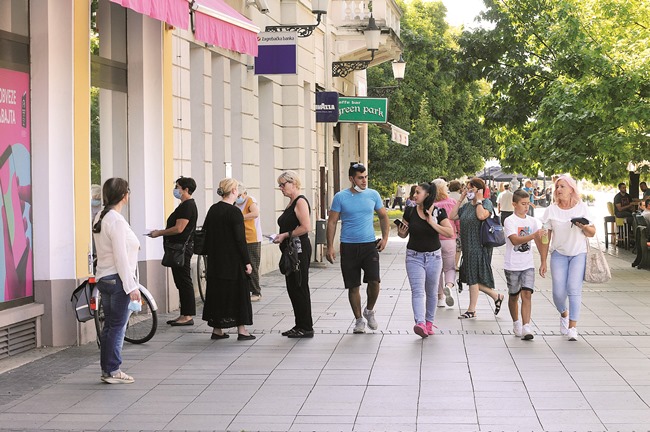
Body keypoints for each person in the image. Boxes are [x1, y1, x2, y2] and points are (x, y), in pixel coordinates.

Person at [326, 162, 390, 334]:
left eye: (365, 177)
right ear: (351, 179)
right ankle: (358, 320)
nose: (364, 181)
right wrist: (329, 246)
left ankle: (369, 311)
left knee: (374, 281)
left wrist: (385, 238)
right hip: (348, 246)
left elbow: (384, 217)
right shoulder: (340, 197)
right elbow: (331, 222)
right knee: (353, 286)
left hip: (369, 245)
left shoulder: (373, 195)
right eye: (360, 178)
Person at [92, 178, 140, 384]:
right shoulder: (117, 221)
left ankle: (108, 370)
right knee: (117, 327)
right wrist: (132, 287)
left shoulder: (100, 217)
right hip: (118, 280)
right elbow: (121, 257)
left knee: (110, 327)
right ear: (123, 195)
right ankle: (113, 370)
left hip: (105, 277)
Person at [539, 175, 595, 341]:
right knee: (557, 292)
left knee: (573, 288)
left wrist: (583, 226)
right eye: (557, 187)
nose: (559, 190)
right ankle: (564, 313)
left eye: (563, 186)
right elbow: (545, 238)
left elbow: (592, 232)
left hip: (578, 253)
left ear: (571, 189)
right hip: (559, 254)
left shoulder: (581, 208)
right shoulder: (551, 210)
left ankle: (572, 327)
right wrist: (543, 261)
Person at [397, 182, 454, 338]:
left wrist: (432, 223)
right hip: (414, 256)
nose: (414, 195)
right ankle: (420, 323)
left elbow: (449, 232)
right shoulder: (409, 211)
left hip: (434, 257)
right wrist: (402, 232)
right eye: (414, 192)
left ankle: (429, 323)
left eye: (418, 192)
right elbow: (403, 234)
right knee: (417, 291)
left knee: (432, 292)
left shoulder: (438, 212)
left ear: (427, 195)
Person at [201, 178, 255, 341]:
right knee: (238, 293)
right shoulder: (234, 212)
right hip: (233, 261)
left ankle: (217, 329)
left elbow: (206, 232)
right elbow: (240, 240)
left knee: (218, 293)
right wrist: (247, 262)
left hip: (216, 260)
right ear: (233, 191)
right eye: (237, 188)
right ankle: (242, 329)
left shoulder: (213, 209)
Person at [449, 177, 504, 319]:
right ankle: (496, 296)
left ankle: (471, 310)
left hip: (479, 245)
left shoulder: (486, 203)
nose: (468, 191)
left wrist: (479, 199)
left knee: (473, 277)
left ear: (479, 190)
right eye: (467, 188)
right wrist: (461, 199)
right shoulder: (467, 206)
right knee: (472, 277)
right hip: (467, 245)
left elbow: (481, 216)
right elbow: (453, 215)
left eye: (471, 189)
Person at [150, 177, 198, 326]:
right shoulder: (184, 205)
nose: (176, 190)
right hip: (178, 247)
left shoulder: (187, 206)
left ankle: (188, 315)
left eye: (178, 187)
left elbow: (179, 228)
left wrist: (160, 233)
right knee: (180, 281)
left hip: (181, 248)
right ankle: (184, 313)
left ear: (186, 190)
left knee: (184, 280)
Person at [274, 171, 314, 338]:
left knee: (299, 285)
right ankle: (299, 324)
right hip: (290, 250)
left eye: (283, 184)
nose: (281, 188)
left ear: (294, 183)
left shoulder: (300, 202)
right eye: (280, 185)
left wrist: (285, 235)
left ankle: (306, 326)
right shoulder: (292, 202)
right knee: (292, 287)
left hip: (298, 250)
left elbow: (306, 227)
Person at [504, 190, 545, 340]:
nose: (526, 207)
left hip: (528, 264)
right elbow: (514, 240)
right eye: (523, 204)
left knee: (527, 294)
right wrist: (533, 236)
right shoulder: (510, 221)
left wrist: (543, 260)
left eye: (528, 203)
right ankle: (516, 322)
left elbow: (540, 241)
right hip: (512, 264)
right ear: (514, 204)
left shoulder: (533, 221)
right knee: (514, 296)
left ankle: (526, 326)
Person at [432, 178, 457, 308]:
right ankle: (449, 286)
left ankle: (440, 298)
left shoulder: (432, 205)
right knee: (450, 268)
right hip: (449, 239)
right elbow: (458, 221)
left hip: (435, 240)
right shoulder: (452, 202)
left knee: (437, 270)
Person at [235, 185, 263, 302]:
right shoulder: (235, 203)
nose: (238, 198)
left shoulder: (250, 200)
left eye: (239, 195)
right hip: (241, 238)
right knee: (242, 266)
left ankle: (256, 292)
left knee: (252, 265)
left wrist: (239, 217)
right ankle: (244, 290)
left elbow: (255, 213)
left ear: (244, 193)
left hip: (252, 238)